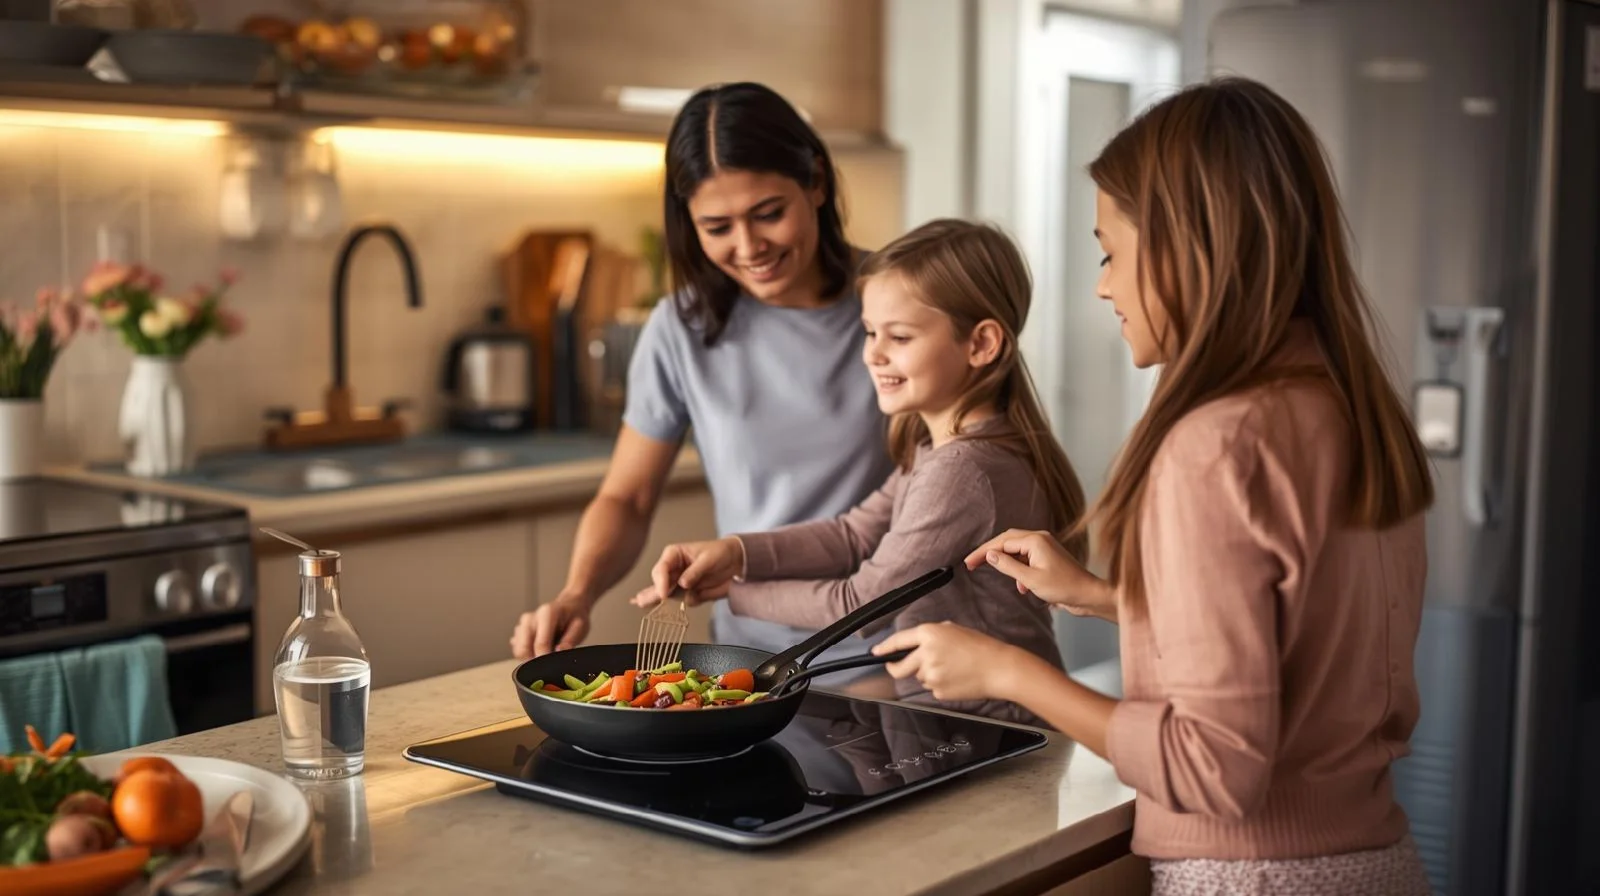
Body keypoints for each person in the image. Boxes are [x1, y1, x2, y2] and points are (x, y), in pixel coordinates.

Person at [870, 78, 1437, 894]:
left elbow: (1212, 768)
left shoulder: (1214, 445)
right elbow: (1304, 638)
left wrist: (1007, 672)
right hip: (1377, 862)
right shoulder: (1351, 407)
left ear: (1186, 248)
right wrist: (1106, 599)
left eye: (1110, 252)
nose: (1104, 286)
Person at [633, 219, 1087, 726]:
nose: (872, 353)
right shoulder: (938, 450)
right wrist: (737, 553)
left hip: (994, 728)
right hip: (964, 720)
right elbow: (852, 534)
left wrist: (733, 590)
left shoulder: (961, 469)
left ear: (981, 344)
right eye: (870, 331)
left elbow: (861, 602)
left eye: (899, 336)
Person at [508, 82, 895, 675]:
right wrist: (576, 592)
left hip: (896, 651)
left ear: (816, 182)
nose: (749, 247)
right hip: (751, 663)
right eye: (718, 227)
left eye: (769, 214)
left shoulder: (900, 302)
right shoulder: (681, 329)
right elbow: (627, 496)